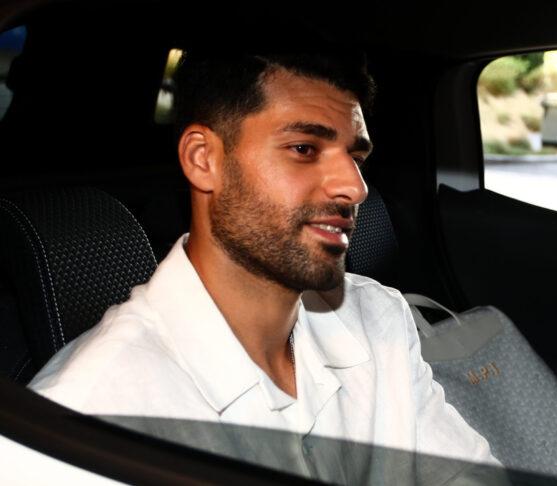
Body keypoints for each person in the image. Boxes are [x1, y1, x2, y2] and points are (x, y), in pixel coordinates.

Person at [29, 47, 499, 467]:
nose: (355, 188)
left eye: (356, 157)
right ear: (203, 159)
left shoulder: (380, 319)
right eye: (303, 149)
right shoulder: (84, 417)